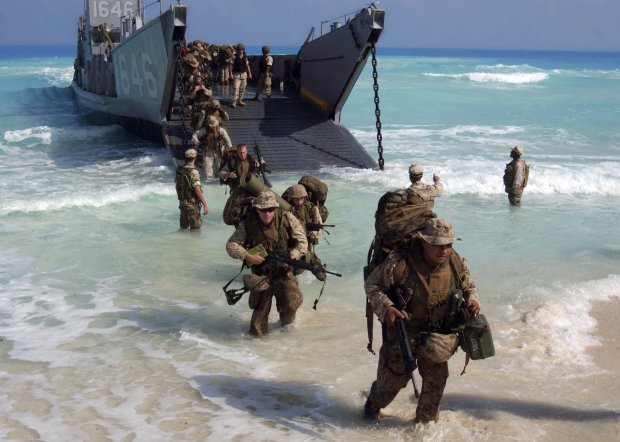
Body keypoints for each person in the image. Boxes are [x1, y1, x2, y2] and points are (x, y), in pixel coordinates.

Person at [363, 218, 481, 424]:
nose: (444, 250)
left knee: (436, 383)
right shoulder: (399, 262)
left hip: (437, 335)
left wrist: (473, 300)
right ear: (424, 242)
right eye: (438, 245)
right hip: (403, 332)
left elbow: (469, 285)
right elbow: (372, 285)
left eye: (448, 245)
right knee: (390, 385)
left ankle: (423, 429)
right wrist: (387, 308)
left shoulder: (455, 261)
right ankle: (371, 407)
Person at [226, 191, 308, 336]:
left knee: (291, 306)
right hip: (261, 274)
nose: (267, 214)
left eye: (270, 209)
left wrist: (291, 256)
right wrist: (248, 256)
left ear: (275, 208)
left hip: (283, 271)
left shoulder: (286, 218)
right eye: (263, 210)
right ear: (257, 209)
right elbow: (231, 245)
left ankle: (287, 340)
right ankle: (255, 347)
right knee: (258, 322)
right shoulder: (248, 224)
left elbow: (302, 242)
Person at [284, 184, 326, 281]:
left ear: (305, 197)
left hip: (306, 238)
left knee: (308, 256)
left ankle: (317, 269)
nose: (299, 202)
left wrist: (313, 233)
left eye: (301, 199)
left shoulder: (310, 207)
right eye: (296, 199)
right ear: (291, 198)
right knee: (292, 262)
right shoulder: (286, 208)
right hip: (290, 238)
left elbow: (319, 224)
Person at [219, 143, 258, 225]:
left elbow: (256, 172)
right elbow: (220, 173)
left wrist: (260, 164)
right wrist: (228, 174)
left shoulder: (250, 159)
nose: (243, 155)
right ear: (237, 152)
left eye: (244, 152)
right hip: (237, 190)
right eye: (240, 153)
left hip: (250, 188)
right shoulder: (232, 161)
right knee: (235, 211)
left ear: (246, 151)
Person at [175, 148, 209, 230]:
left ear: (186, 158)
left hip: (182, 203)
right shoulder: (194, 172)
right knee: (196, 230)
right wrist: (205, 205)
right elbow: (197, 190)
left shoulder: (180, 170)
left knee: (183, 228)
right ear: (195, 157)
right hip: (191, 204)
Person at [192, 115, 232, 180]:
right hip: (208, 151)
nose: (212, 126)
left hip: (219, 151)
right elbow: (195, 134)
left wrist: (229, 150)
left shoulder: (221, 130)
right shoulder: (205, 130)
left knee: (219, 166)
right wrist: (195, 139)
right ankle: (209, 179)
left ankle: (219, 178)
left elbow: (228, 140)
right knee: (207, 166)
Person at [229, 43, 252, 108]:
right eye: (239, 49)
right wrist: (230, 74)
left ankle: (240, 100)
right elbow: (230, 65)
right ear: (237, 50)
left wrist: (250, 73)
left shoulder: (245, 57)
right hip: (236, 74)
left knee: (242, 88)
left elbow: (247, 65)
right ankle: (234, 101)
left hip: (244, 74)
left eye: (242, 49)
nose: (241, 51)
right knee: (236, 88)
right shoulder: (234, 57)